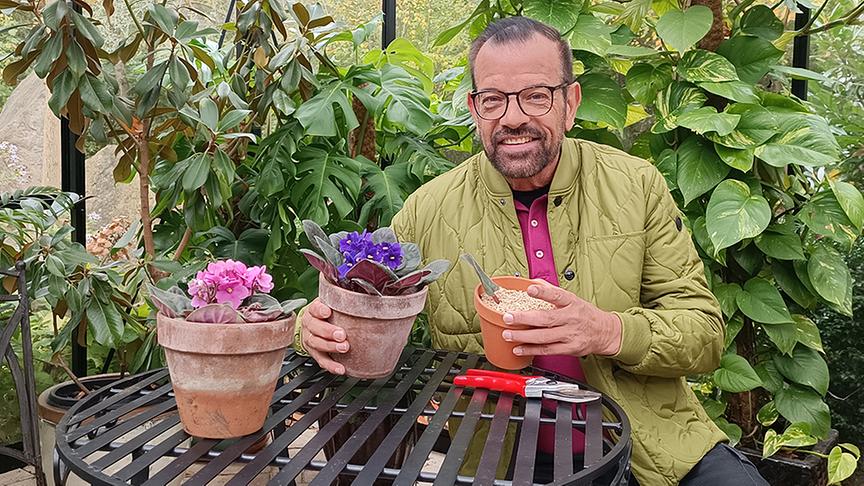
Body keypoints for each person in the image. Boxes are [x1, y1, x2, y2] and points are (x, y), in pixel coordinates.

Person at [294, 16, 769, 486]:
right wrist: (310, 328)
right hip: (498, 457)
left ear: (570, 103)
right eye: (494, 100)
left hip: (653, 448)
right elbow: (363, 301)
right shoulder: (428, 210)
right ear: (475, 108)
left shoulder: (635, 185)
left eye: (536, 96)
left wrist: (607, 331)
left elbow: (704, 334)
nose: (514, 117)